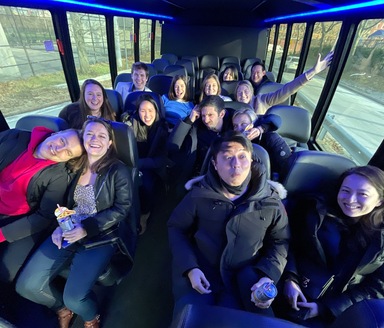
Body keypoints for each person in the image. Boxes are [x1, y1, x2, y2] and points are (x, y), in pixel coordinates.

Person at [16, 117, 134, 328]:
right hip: (66, 230)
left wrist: (86, 229)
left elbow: (122, 208)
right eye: (89, 134)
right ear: (83, 138)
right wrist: (57, 226)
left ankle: (91, 317)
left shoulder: (118, 171)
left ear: (109, 143)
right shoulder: (72, 166)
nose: (94, 139)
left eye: (101, 136)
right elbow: (58, 200)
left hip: (100, 235)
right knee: (26, 286)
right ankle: (62, 308)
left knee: (75, 298)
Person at [168, 131, 290, 317]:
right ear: (215, 165)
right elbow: (177, 228)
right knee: (190, 318)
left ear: (251, 161)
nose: (236, 164)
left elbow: (280, 241)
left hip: (247, 278)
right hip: (202, 271)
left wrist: (268, 275)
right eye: (227, 157)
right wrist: (190, 267)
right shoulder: (198, 195)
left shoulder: (271, 203)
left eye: (242, 156)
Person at [280, 165, 384, 325]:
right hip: (292, 292)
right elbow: (288, 243)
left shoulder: (381, 240)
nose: (350, 200)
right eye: (346, 191)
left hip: (338, 311)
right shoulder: (314, 213)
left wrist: (327, 309)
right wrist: (289, 278)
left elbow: (376, 287)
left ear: (379, 201)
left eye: (362, 194)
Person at [0, 126, 83, 283]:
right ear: (56, 133)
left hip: (18, 218)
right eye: (62, 140)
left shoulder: (59, 176)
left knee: (5, 273)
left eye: (68, 152)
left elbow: (43, 217)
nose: (59, 149)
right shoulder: (15, 136)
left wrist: (2, 234)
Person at [123, 94, 170, 233]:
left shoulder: (163, 127)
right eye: (143, 111)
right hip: (132, 164)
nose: (147, 115)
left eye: (150, 110)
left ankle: (145, 214)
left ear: (156, 111)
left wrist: (138, 164)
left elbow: (162, 158)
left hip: (152, 165)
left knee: (146, 184)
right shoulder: (131, 124)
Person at [240, 51, 333, 114]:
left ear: (252, 92)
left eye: (246, 91)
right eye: (239, 92)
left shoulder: (262, 100)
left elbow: (287, 89)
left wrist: (312, 72)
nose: (243, 95)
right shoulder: (233, 106)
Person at [232, 108, 291, 178]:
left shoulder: (269, 138)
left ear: (253, 124)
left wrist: (260, 129)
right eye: (235, 126)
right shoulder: (234, 144)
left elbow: (276, 119)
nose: (239, 129)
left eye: (243, 124)